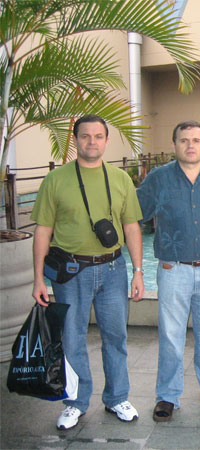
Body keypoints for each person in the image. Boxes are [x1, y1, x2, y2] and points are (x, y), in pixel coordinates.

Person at [31, 114, 144, 430]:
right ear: (75, 139)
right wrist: (38, 278)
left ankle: (117, 397)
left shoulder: (120, 179)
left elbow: (131, 227)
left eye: (98, 136)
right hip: (71, 272)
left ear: (106, 141)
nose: (91, 142)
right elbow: (43, 230)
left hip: (113, 269)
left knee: (116, 336)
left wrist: (138, 271)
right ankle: (76, 402)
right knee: (72, 339)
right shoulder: (55, 180)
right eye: (85, 136)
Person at [137, 121, 200, 422]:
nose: (190, 145)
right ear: (174, 145)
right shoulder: (158, 178)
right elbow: (134, 215)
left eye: (196, 140)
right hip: (174, 270)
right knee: (171, 337)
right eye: (184, 140)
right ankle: (168, 396)